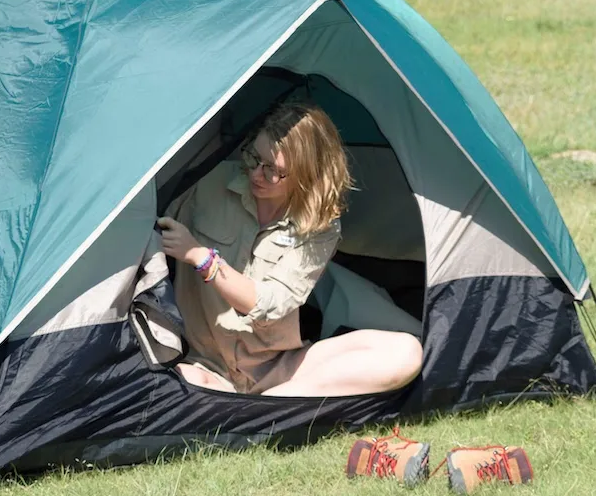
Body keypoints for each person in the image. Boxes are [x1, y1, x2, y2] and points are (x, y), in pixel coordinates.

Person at [155, 102, 423, 397]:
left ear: (307, 175)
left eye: (274, 170)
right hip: (204, 365)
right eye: (254, 157)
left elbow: (268, 305)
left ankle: (269, 402)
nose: (257, 173)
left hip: (279, 368)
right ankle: (272, 409)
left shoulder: (320, 227)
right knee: (170, 382)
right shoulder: (208, 185)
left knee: (407, 351)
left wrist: (202, 257)